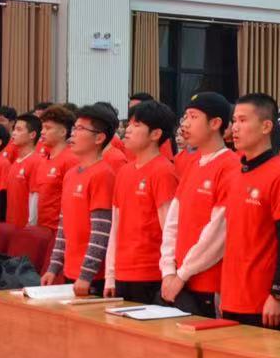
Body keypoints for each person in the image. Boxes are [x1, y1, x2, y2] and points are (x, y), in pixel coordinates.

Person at [217, 94, 280, 328]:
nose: (235, 127)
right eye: (234, 120)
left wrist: (278, 292)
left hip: (264, 303)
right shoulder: (235, 174)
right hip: (233, 297)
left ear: (266, 126)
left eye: (243, 120)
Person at [159, 92, 239, 318]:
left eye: (193, 117)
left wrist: (182, 274)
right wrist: (168, 270)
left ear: (215, 123)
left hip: (208, 283)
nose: (185, 124)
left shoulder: (230, 165)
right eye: (185, 117)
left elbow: (218, 233)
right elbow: (172, 223)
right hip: (178, 281)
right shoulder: (193, 165)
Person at [102, 100, 178, 305]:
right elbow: (116, 225)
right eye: (129, 124)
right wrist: (110, 274)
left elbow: (170, 228)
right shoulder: (124, 171)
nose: (127, 130)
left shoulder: (163, 171)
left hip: (150, 273)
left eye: (136, 125)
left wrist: (169, 273)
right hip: (122, 272)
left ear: (155, 134)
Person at [41, 104, 118, 297]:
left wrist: (86, 275)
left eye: (80, 129)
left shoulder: (103, 174)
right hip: (70, 269)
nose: (73, 134)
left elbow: (101, 230)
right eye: (74, 128)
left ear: (99, 138)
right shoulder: (71, 174)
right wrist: (53, 267)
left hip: (93, 276)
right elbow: (63, 225)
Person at [27, 105, 78, 232]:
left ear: (63, 132)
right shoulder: (43, 161)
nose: (42, 132)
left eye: (48, 128)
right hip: (42, 230)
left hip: (59, 232)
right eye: (42, 127)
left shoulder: (71, 160)